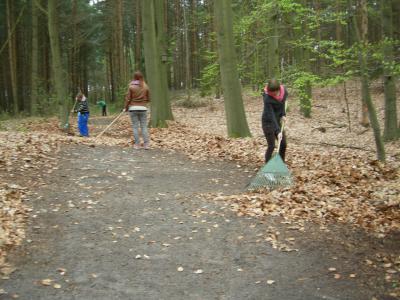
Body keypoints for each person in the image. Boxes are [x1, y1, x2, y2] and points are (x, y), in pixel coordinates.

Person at [261, 78, 288, 163]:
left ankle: (280, 164)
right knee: (272, 146)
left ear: (279, 89)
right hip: (268, 122)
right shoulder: (267, 98)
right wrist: (278, 131)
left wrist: (283, 114)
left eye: (275, 93)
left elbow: (283, 103)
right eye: (271, 93)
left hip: (278, 121)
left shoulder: (284, 92)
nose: (273, 95)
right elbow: (271, 115)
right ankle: (267, 166)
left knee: (283, 144)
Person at [124, 71, 150, 149]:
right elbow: (149, 98)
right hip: (143, 108)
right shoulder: (146, 86)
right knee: (144, 127)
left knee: (135, 127)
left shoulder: (131, 86)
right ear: (142, 77)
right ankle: (146, 145)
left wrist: (126, 107)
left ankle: (137, 145)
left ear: (134, 77)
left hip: (133, 109)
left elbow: (128, 99)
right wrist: (144, 102)